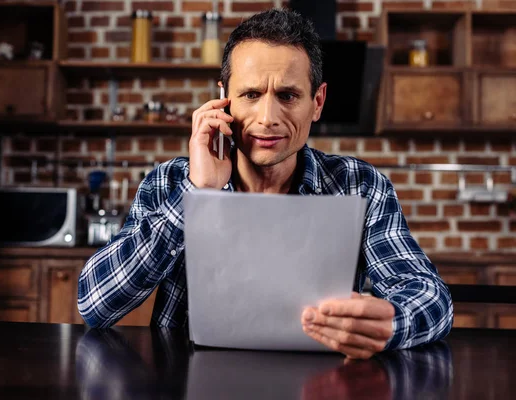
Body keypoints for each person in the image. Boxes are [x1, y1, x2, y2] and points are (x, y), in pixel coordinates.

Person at [78, 8, 453, 359]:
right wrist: (197, 191)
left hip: (319, 385)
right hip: (189, 378)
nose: (268, 118)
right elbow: (95, 303)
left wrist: (391, 322)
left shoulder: (361, 185)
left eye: (288, 96)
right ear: (224, 98)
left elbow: (431, 296)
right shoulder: (171, 182)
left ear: (317, 102)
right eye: (251, 95)